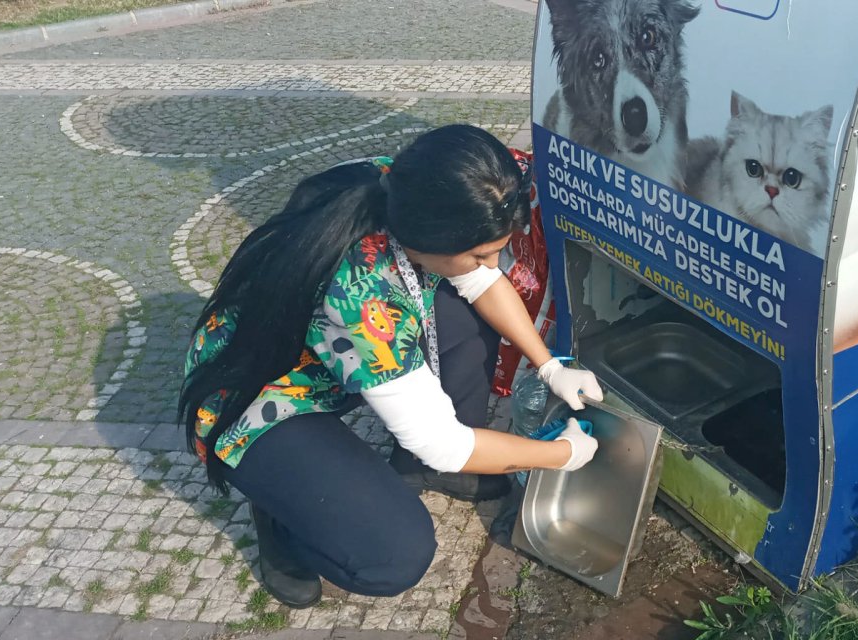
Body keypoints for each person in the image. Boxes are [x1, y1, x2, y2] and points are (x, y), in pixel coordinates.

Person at [176, 125, 603, 608]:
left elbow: (481, 282)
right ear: (432, 240)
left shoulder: (406, 187)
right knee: (393, 555)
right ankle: (283, 510)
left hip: (319, 352)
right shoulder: (361, 296)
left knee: (461, 305)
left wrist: (548, 366)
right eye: (481, 252)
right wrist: (560, 454)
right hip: (255, 399)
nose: (492, 262)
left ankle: (437, 472)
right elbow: (444, 443)